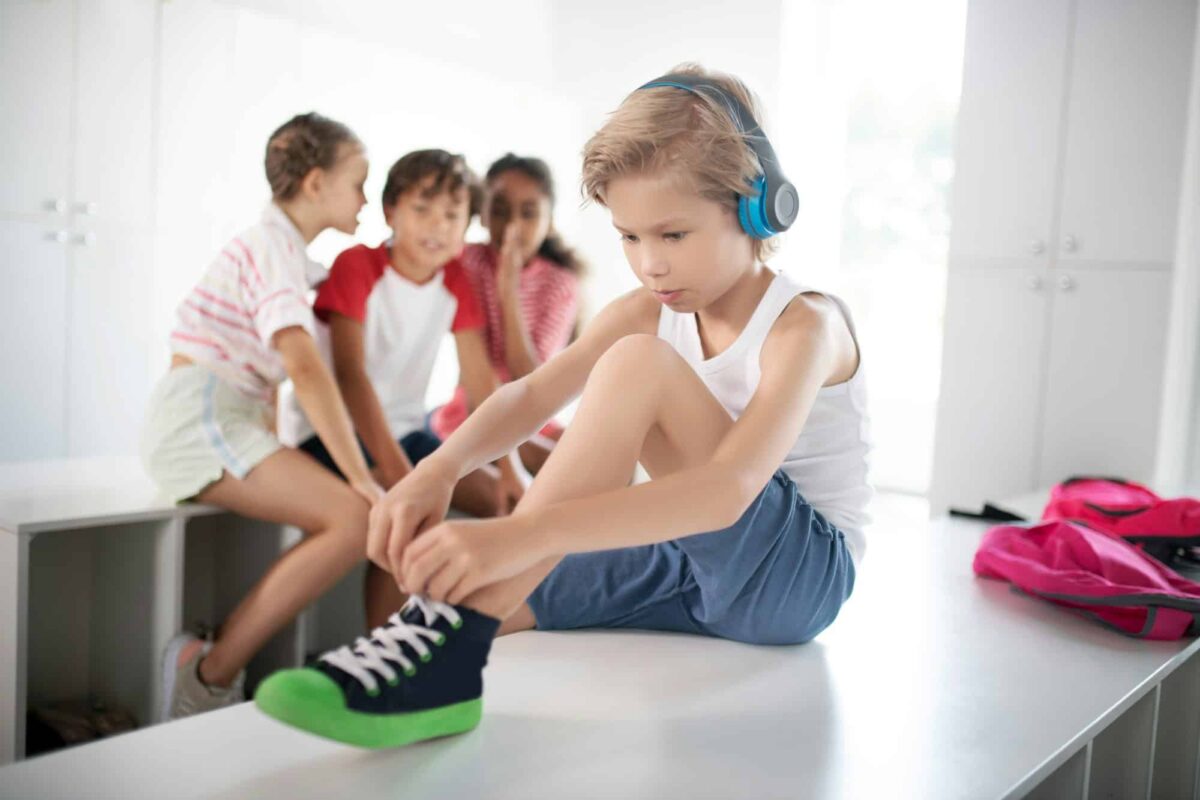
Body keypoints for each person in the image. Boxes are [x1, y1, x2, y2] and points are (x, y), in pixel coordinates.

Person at [255, 64, 870, 750]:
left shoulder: (804, 327)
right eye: (629, 238)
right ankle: (433, 669)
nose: (649, 265)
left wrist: (526, 531)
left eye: (672, 235)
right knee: (497, 595)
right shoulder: (646, 307)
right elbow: (533, 394)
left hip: (797, 581)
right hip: (690, 563)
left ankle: (442, 655)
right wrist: (442, 468)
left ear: (757, 206)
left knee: (632, 371)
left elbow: (728, 491)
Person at [141, 113, 384, 720]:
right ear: (315, 183)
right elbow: (302, 366)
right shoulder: (271, 246)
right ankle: (205, 673)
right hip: (199, 416)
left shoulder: (289, 256)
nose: (364, 198)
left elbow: (274, 373)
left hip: (226, 414)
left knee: (351, 519)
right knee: (356, 517)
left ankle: (220, 657)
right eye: (358, 182)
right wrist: (360, 475)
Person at [428, 154, 583, 474]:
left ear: (549, 220)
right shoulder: (467, 263)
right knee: (552, 463)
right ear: (482, 215)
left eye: (528, 214)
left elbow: (533, 381)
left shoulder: (560, 284)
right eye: (499, 211)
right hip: (473, 410)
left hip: (531, 413)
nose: (512, 226)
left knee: (600, 460)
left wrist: (508, 292)